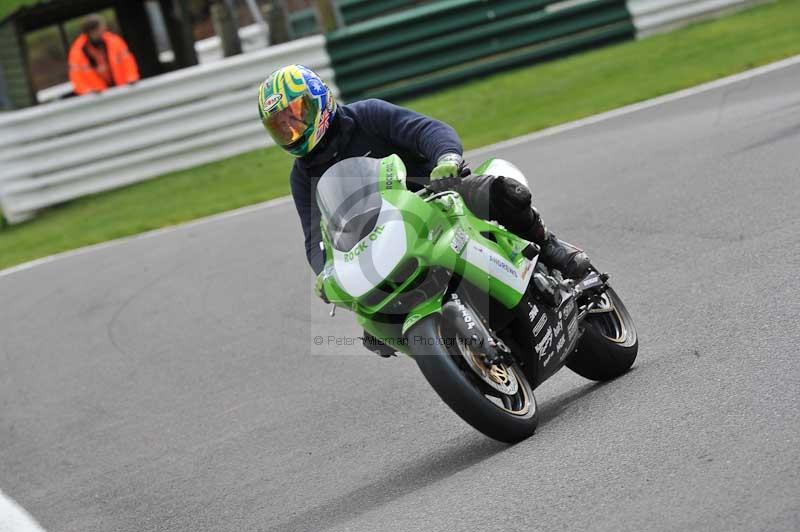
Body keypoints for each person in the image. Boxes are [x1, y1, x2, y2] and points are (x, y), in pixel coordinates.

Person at [258, 65, 589, 352]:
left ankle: (548, 247)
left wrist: (445, 158)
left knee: (505, 192)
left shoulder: (367, 115)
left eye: (296, 114)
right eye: (281, 126)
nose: (292, 129)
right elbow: (315, 236)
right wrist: (325, 272)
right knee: (374, 329)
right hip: (380, 242)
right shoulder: (302, 177)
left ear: (319, 99)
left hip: (437, 197)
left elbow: (426, 130)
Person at [68, 14, 140, 95]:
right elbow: (76, 78)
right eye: (101, 28)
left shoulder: (114, 41)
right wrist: (88, 92)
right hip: (98, 96)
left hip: (123, 89)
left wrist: (132, 78)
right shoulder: (77, 52)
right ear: (92, 31)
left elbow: (128, 62)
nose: (104, 30)